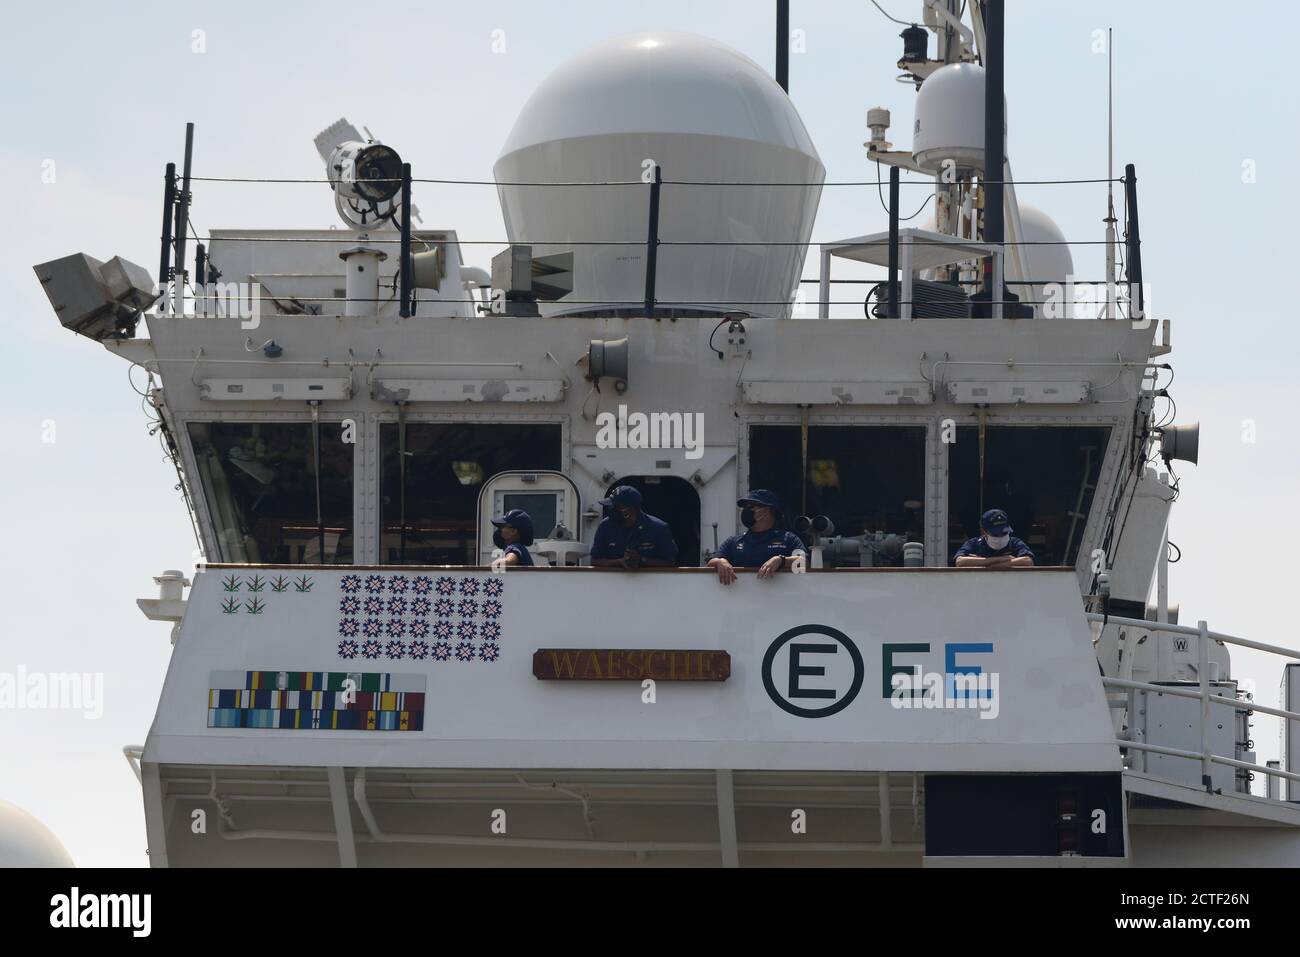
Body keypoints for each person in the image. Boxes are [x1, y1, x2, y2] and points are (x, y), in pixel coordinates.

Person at [708, 490, 805, 585]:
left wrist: (780, 560)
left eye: (751, 507)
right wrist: (720, 562)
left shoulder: (788, 539)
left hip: (779, 597)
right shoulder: (734, 541)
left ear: (767, 510)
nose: (746, 511)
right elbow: (711, 562)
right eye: (745, 507)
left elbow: (803, 562)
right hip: (741, 597)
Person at [590, 485, 678, 568]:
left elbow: (670, 562)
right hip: (613, 581)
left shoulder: (659, 528)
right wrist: (618, 562)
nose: (610, 510)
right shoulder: (605, 526)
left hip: (651, 581)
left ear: (629, 511)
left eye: (614, 507)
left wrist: (642, 560)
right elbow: (594, 561)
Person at [954, 508, 1034, 568]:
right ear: (983, 532)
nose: (1000, 536)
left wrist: (986, 564)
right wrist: (1003, 559)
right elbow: (960, 561)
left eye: (1004, 533)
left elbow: (1028, 561)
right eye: (995, 534)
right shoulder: (974, 543)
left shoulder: (1015, 542)